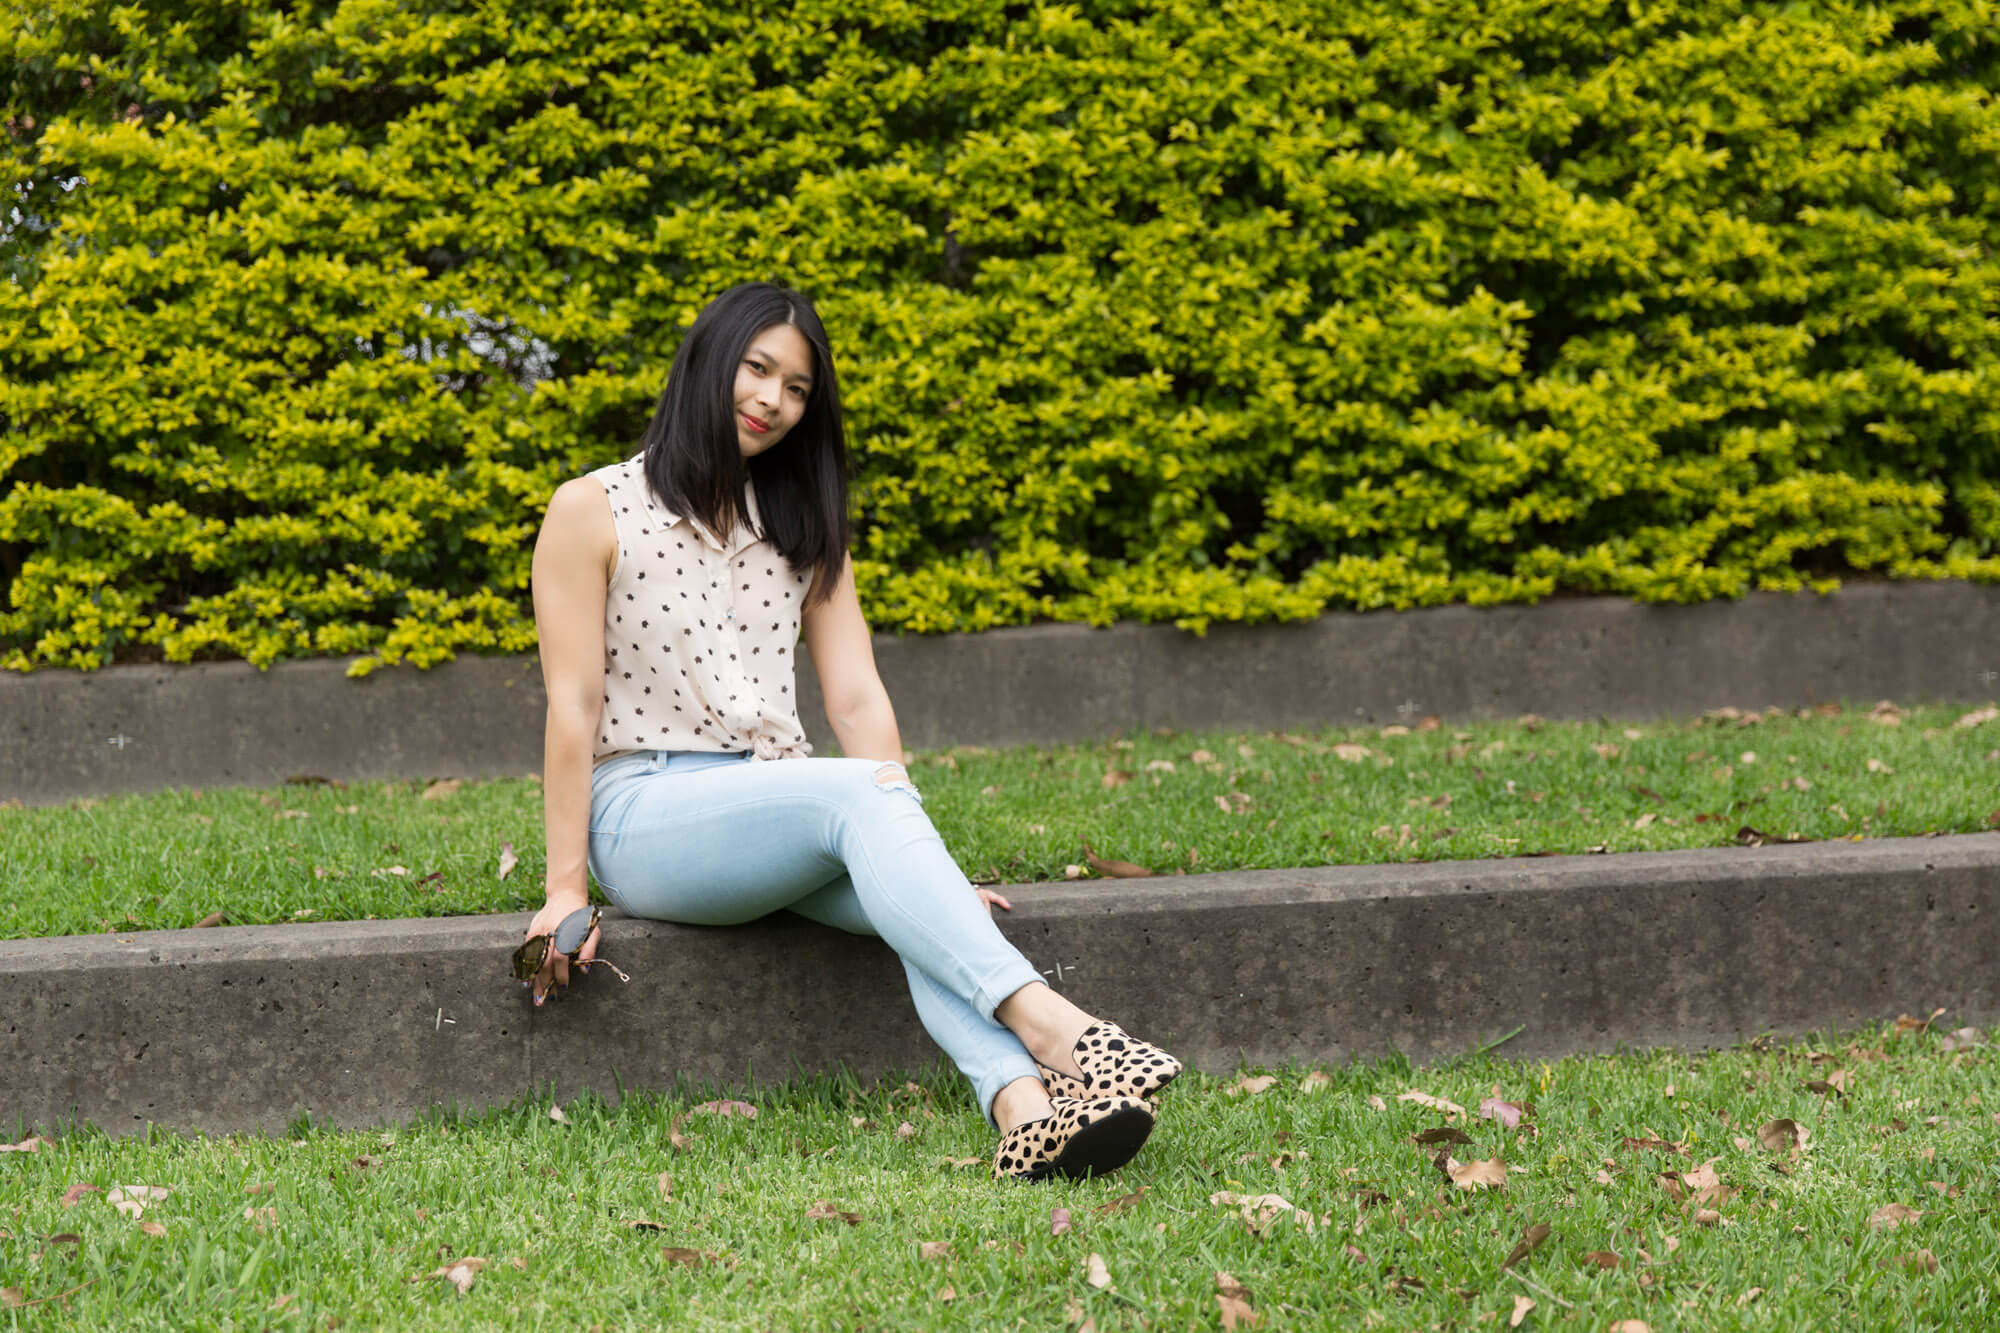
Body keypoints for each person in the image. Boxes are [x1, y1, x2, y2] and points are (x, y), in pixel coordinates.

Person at [520, 281, 1182, 1181]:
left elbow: (858, 697)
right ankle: (1065, 1032)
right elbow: (573, 708)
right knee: (862, 795)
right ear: (708, 361)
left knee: (911, 902)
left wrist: (920, 862)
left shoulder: (802, 526)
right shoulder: (592, 508)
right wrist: (565, 890)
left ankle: (1024, 1111)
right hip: (646, 813)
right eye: (757, 370)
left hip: (782, 803)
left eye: (797, 389)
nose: (772, 401)